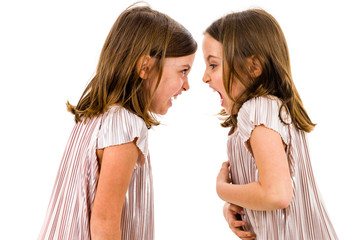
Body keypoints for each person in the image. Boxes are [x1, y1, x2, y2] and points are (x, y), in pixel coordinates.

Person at [38, 4, 196, 240]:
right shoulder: (127, 126)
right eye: (183, 71)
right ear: (145, 67)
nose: (186, 85)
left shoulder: (93, 118)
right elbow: (104, 223)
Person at [202, 9, 338, 240]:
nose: (205, 77)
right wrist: (235, 207)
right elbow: (271, 193)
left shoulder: (258, 109)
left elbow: (276, 195)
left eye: (213, 65)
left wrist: (221, 189)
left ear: (254, 67)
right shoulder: (266, 111)